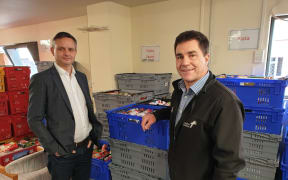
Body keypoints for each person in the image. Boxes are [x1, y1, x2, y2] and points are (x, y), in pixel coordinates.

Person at [141, 30, 245, 180]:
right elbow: (179, 111)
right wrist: (156, 115)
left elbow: (229, 164)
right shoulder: (179, 90)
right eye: (179, 56)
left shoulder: (225, 103)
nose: (184, 62)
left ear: (206, 58)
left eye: (192, 55)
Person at [28, 32, 102, 180]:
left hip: (85, 147)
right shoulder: (42, 80)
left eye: (71, 49)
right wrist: (53, 148)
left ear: (75, 51)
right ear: (52, 50)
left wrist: (92, 138)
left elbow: (85, 109)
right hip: (62, 153)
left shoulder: (81, 77)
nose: (67, 53)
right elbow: (34, 119)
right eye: (61, 49)